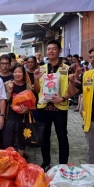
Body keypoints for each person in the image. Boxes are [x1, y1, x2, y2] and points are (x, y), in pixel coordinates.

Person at [34, 39, 71, 171]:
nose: (51, 51)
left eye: (54, 48)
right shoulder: (42, 68)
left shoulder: (66, 69)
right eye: (49, 49)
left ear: (59, 51)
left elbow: (73, 89)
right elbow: (37, 90)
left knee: (62, 137)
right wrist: (36, 78)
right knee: (44, 137)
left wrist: (62, 98)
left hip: (60, 109)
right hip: (44, 108)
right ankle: (46, 163)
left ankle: (63, 165)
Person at [4, 64, 32, 157]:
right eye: (15, 72)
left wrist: (27, 110)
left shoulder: (28, 86)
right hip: (10, 118)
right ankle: (9, 161)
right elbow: (4, 101)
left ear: (24, 73)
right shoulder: (8, 84)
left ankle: (20, 161)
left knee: (21, 142)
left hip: (23, 119)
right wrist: (10, 91)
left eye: (19, 72)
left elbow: (32, 105)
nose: (17, 74)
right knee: (8, 141)